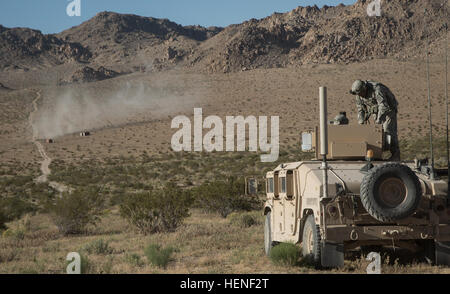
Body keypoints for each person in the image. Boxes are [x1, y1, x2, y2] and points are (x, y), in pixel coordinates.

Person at [350, 80, 400, 161]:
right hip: (376, 111)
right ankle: (379, 155)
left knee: (388, 131)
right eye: (358, 94)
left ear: (364, 89)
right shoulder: (358, 95)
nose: (360, 95)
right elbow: (360, 110)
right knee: (377, 134)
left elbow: (383, 106)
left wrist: (378, 121)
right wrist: (361, 123)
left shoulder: (377, 89)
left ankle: (394, 157)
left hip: (388, 111)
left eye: (361, 93)